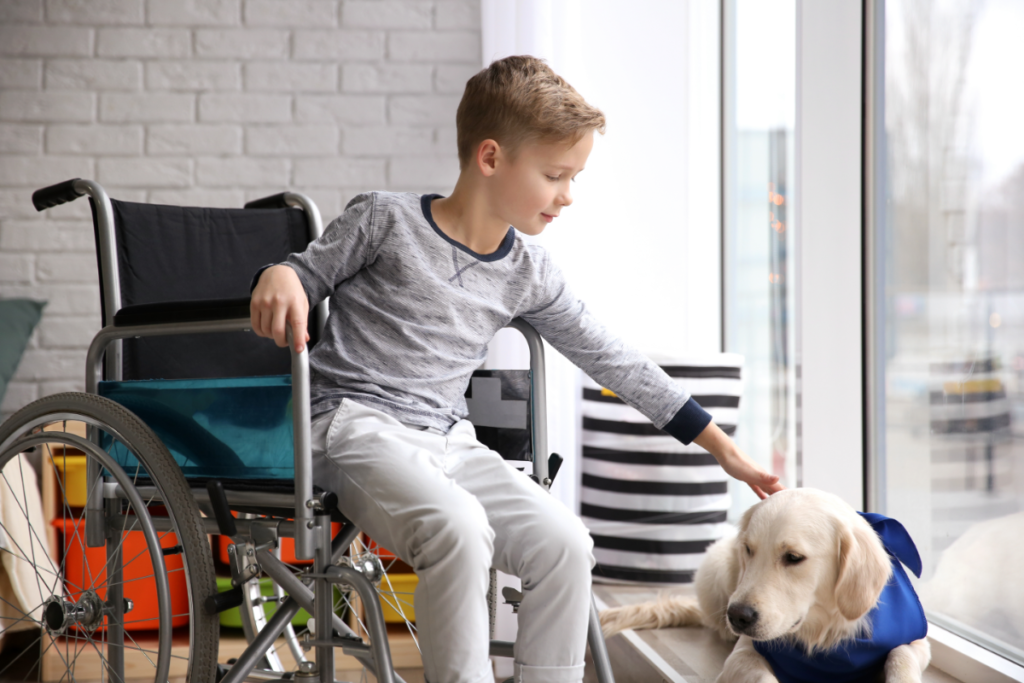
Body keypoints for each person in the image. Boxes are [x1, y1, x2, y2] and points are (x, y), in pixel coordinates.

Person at [250, 55, 782, 683]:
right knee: (458, 527)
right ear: (492, 158)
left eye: (574, 177)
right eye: (556, 175)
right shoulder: (383, 219)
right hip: (350, 423)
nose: (568, 196)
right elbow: (303, 272)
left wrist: (722, 449)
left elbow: (612, 356)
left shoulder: (529, 270)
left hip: (449, 440)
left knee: (565, 544)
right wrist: (280, 273)